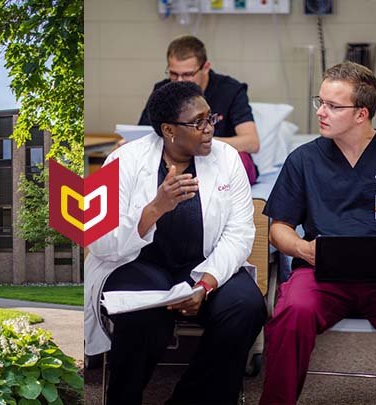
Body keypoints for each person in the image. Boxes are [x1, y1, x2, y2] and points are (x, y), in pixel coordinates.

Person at [259, 61, 376, 404]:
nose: (321, 112)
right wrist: (303, 250)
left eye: (332, 105)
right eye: (320, 102)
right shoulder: (303, 160)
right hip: (320, 273)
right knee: (291, 314)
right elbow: (279, 228)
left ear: (361, 113)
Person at [85, 81, 267, 404]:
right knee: (141, 313)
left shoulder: (229, 159)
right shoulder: (121, 161)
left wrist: (206, 283)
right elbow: (98, 240)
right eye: (198, 122)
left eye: (210, 118)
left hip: (207, 264)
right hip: (140, 265)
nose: (210, 128)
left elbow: (239, 233)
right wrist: (156, 208)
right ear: (169, 129)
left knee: (247, 307)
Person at [138, 35, 260, 184]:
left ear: (206, 67)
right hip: (176, 162)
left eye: (188, 74)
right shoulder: (164, 91)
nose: (180, 81)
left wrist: (199, 141)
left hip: (219, 159)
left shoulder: (230, 91)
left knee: (239, 160)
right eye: (174, 74)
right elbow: (143, 134)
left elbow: (252, 142)